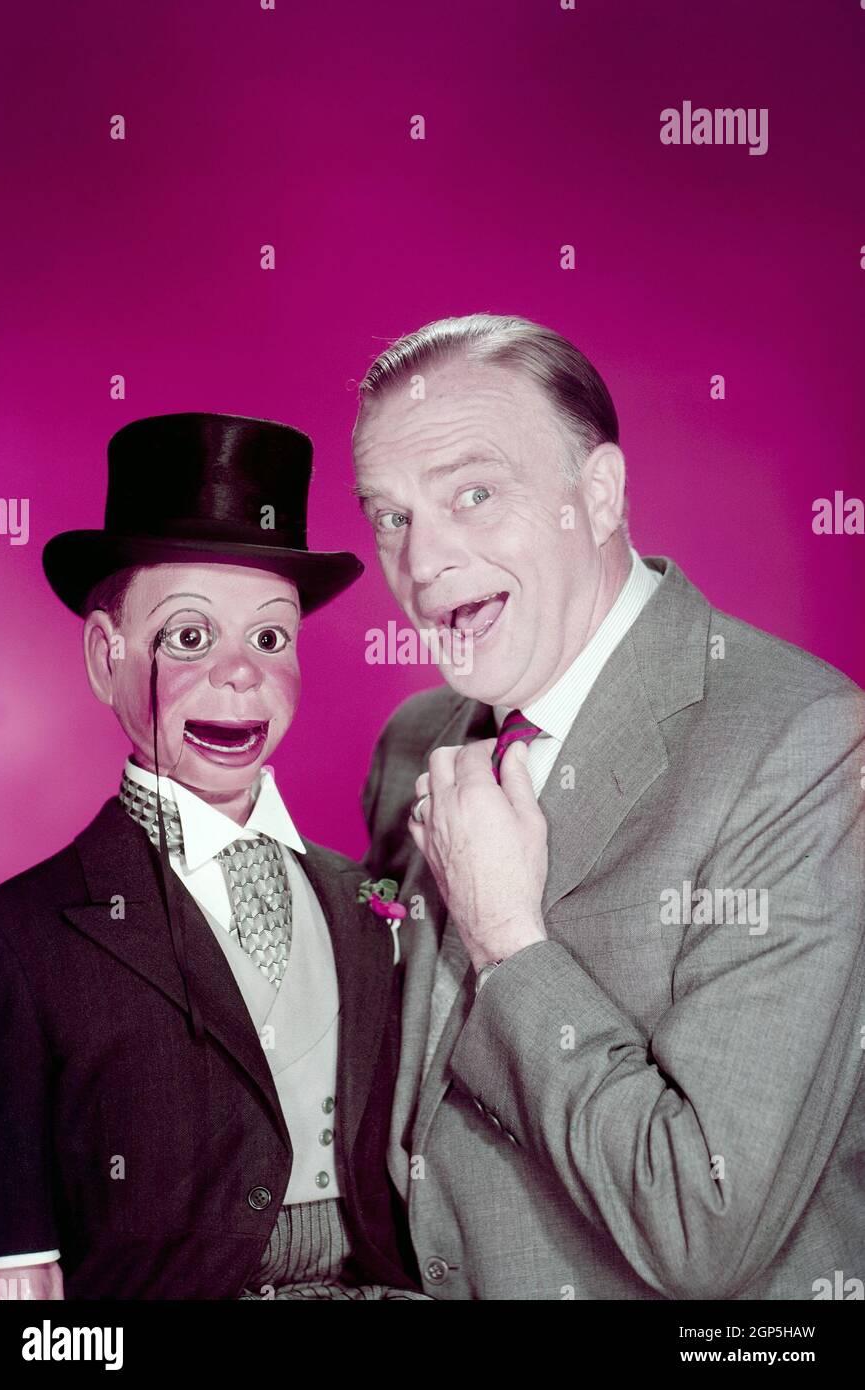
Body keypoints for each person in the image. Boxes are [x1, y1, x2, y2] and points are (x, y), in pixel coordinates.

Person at [353, 313, 865, 1301]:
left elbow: (702, 1226)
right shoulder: (415, 744)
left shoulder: (806, 742)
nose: (418, 567)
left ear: (594, 495)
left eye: (472, 493)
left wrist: (508, 941)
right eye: (390, 514)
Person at [0, 412, 421, 1300]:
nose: (240, 673)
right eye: (187, 636)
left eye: (269, 638)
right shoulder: (14, 940)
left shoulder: (363, 902)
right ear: (106, 658)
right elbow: (14, 1276)